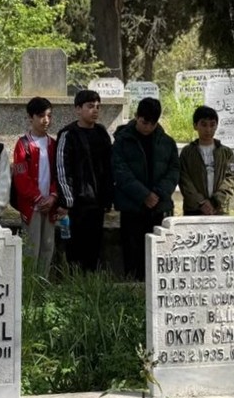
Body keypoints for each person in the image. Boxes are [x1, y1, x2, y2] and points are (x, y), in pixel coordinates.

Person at [112, 97, 179, 281]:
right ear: (136, 116)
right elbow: (120, 171)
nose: (148, 127)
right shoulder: (122, 140)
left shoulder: (167, 142)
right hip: (132, 207)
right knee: (133, 256)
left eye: (152, 123)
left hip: (158, 207)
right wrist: (143, 195)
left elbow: (174, 171)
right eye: (144, 122)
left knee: (158, 257)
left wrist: (158, 194)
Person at [55, 90, 114, 273]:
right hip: (76, 204)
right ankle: (74, 282)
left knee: (94, 248)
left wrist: (108, 197)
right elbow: (62, 169)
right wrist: (67, 200)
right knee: (75, 249)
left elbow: (109, 167)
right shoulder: (68, 134)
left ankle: (91, 282)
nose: (95, 110)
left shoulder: (101, 133)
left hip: (97, 202)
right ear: (78, 109)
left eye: (98, 107)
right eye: (90, 106)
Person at [12, 97, 63, 277]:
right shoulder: (23, 145)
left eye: (49, 115)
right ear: (30, 117)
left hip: (50, 204)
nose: (46, 120)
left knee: (48, 245)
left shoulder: (53, 144)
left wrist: (53, 196)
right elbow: (21, 178)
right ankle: (29, 284)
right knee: (31, 247)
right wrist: (38, 198)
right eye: (41, 116)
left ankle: (43, 282)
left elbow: (59, 173)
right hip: (32, 205)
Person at [179, 105, 234, 217]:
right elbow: (184, 180)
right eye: (204, 124)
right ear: (195, 126)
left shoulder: (226, 153)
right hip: (194, 211)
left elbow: (231, 178)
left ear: (216, 126)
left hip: (219, 209)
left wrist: (215, 202)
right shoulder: (187, 152)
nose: (208, 129)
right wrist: (200, 202)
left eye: (212, 125)